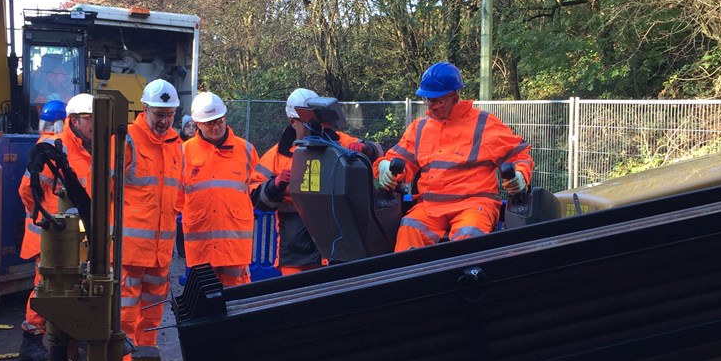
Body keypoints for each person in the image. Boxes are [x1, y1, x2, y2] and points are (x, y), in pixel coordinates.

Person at [375, 62, 534, 251]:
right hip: (430, 207)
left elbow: (519, 156)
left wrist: (520, 175)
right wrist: (385, 166)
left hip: (474, 204)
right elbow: (400, 160)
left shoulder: (484, 124)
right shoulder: (420, 128)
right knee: (409, 229)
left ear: (455, 96)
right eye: (428, 99)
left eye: (437, 100)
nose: (431, 106)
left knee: (468, 237)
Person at [251, 87, 382, 274]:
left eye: (316, 120)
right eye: (307, 122)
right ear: (292, 121)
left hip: (339, 245)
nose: (314, 126)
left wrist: (366, 148)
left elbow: (382, 153)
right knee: (294, 298)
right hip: (296, 248)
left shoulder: (339, 143)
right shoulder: (276, 156)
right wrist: (275, 185)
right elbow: (255, 195)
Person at [17, 93, 95, 361]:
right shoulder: (54, 147)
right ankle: (31, 337)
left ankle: (70, 336)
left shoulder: (89, 148)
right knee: (47, 285)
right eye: (89, 119)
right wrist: (47, 219)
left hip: (76, 234)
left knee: (74, 283)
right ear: (73, 121)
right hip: (52, 234)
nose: (95, 124)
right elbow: (28, 190)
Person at [119, 78, 184, 361]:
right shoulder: (127, 139)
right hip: (130, 253)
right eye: (159, 115)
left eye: (169, 115)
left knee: (152, 316)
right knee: (124, 318)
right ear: (144, 109)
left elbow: (177, 192)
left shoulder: (176, 145)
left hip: (160, 252)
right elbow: (104, 188)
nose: (164, 121)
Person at [180, 91, 259, 287]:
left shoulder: (246, 150)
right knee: (205, 301)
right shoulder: (184, 152)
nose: (216, 126)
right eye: (210, 123)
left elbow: (258, 191)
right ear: (198, 123)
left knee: (237, 302)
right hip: (201, 247)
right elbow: (176, 196)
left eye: (219, 120)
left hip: (235, 247)